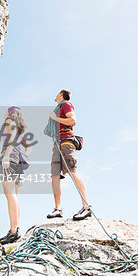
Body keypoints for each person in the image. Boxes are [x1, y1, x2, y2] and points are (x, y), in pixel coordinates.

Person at [47, 89, 91, 220]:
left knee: (72, 171)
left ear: (61, 95)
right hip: (57, 143)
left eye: (57, 93)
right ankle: (58, 208)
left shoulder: (66, 104)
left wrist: (55, 118)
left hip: (66, 141)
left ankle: (86, 207)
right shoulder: (58, 108)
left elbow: (72, 120)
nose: (55, 95)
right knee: (55, 175)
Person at [0, 106, 29, 245]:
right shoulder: (21, 128)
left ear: (10, 112)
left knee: (10, 195)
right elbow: (28, 146)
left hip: (10, 159)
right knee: (14, 195)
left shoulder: (10, 121)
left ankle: (14, 231)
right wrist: (23, 156)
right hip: (17, 161)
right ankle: (14, 229)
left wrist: (6, 156)